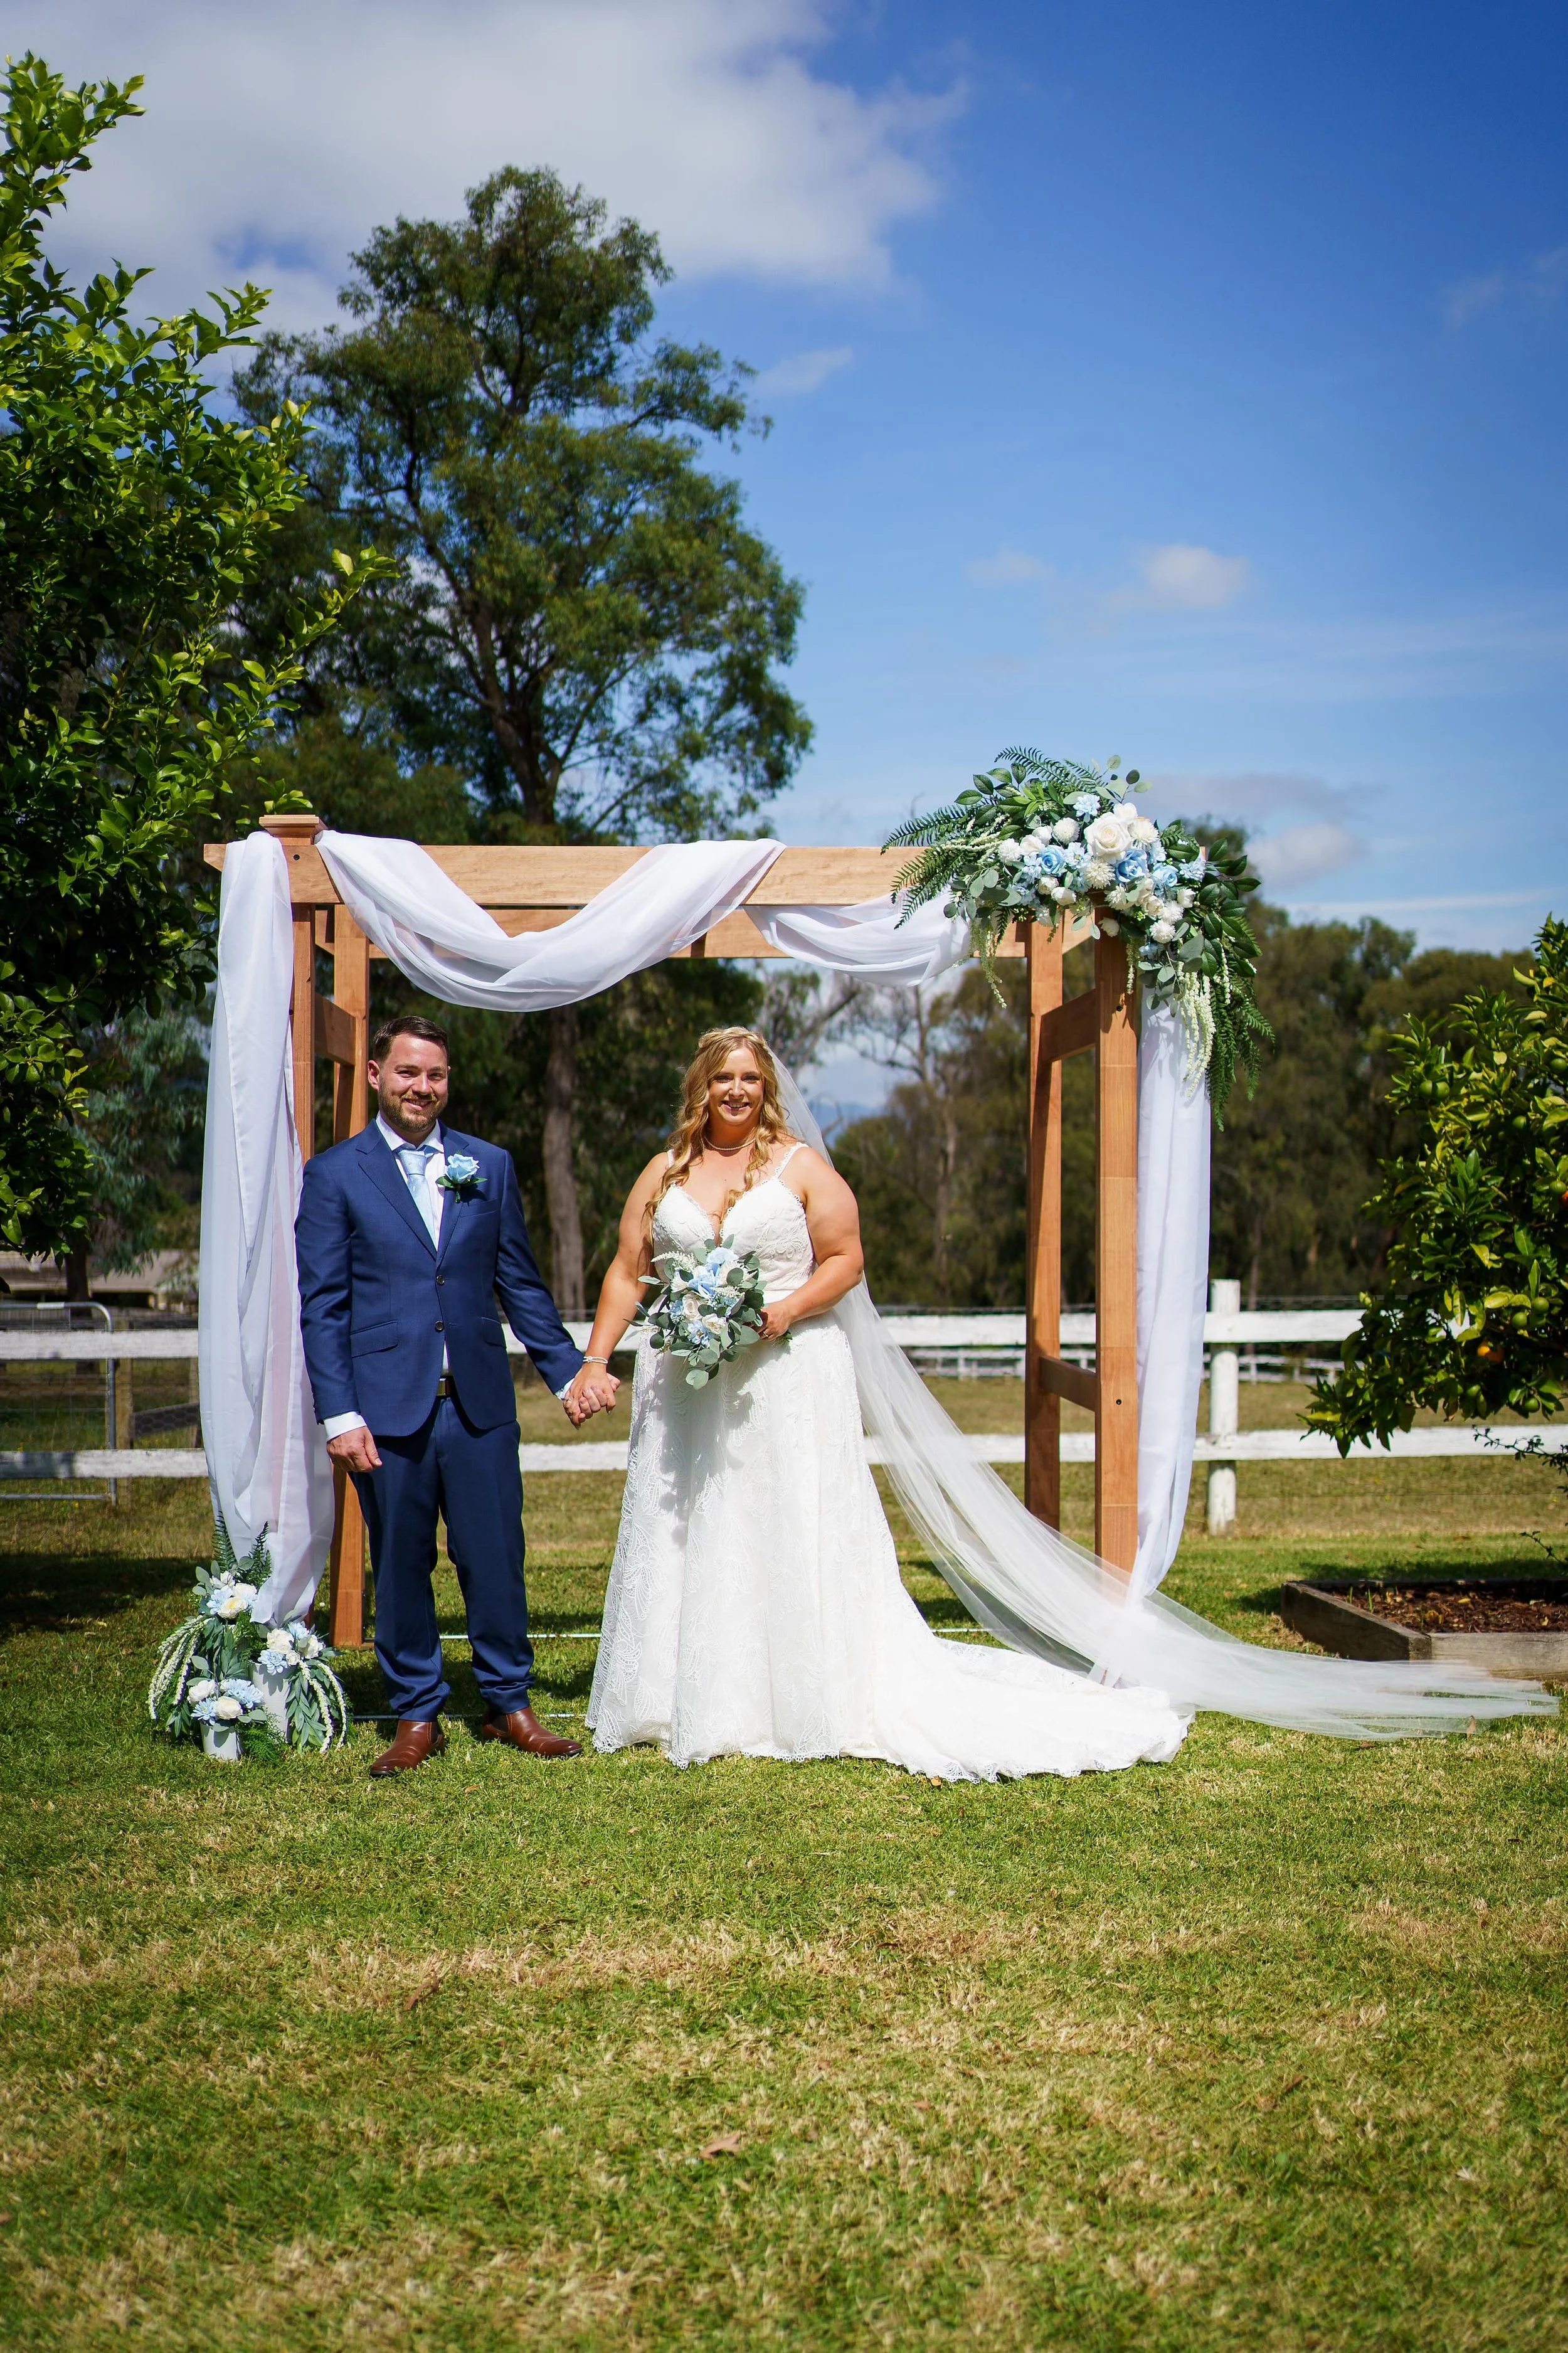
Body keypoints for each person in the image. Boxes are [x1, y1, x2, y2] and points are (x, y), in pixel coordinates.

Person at [580, 1027, 1190, 1779]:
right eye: (720, 1078)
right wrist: (595, 1360)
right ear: (699, 1088)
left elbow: (846, 1259)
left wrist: (785, 1311)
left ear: (765, 1086)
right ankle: (684, 1695)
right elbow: (627, 1271)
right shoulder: (663, 1171)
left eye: (748, 1077)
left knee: (785, 1516)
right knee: (695, 1521)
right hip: (687, 1384)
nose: (735, 1090)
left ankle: (801, 1695)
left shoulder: (801, 1167)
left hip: (787, 1370)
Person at [295, 1014, 619, 1777]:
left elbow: (520, 1284)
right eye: (408, 1072)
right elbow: (324, 1307)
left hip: (477, 1404)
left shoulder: (489, 1165)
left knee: (495, 1553)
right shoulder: (335, 1175)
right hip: (385, 1407)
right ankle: (416, 1714)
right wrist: (339, 1412)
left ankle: (510, 1703)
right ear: (376, 1075)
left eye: (435, 1075)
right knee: (401, 1561)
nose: (422, 1087)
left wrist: (568, 1369)